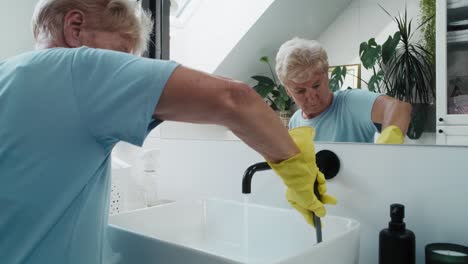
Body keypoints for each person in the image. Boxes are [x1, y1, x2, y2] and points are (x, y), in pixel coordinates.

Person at [0, 1, 336, 263]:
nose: (122, 70)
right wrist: (294, 168)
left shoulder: (8, 75)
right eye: (120, 57)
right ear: (75, 28)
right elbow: (235, 100)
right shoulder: (78, 68)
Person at [275, 37, 412, 144]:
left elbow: (399, 108)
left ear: (326, 75)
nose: (311, 97)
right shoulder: (295, 121)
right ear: (288, 91)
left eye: (316, 85)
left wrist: (386, 149)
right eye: (300, 91)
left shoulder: (350, 104)